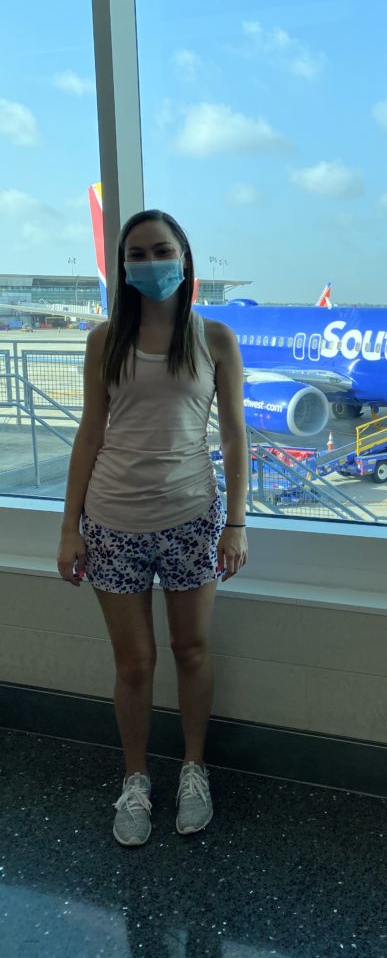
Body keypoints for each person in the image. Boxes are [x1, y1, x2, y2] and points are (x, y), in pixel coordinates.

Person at [57, 209, 249, 847]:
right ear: (124, 267)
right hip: (112, 523)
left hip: (192, 520)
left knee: (191, 651)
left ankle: (194, 769)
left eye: (160, 250)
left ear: (185, 259)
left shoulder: (214, 338)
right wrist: (69, 526)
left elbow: (234, 436)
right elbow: (90, 434)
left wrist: (237, 523)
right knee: (134, 663)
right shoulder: (103, 340)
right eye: (136, 254)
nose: (149, 263)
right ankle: (135, 779)